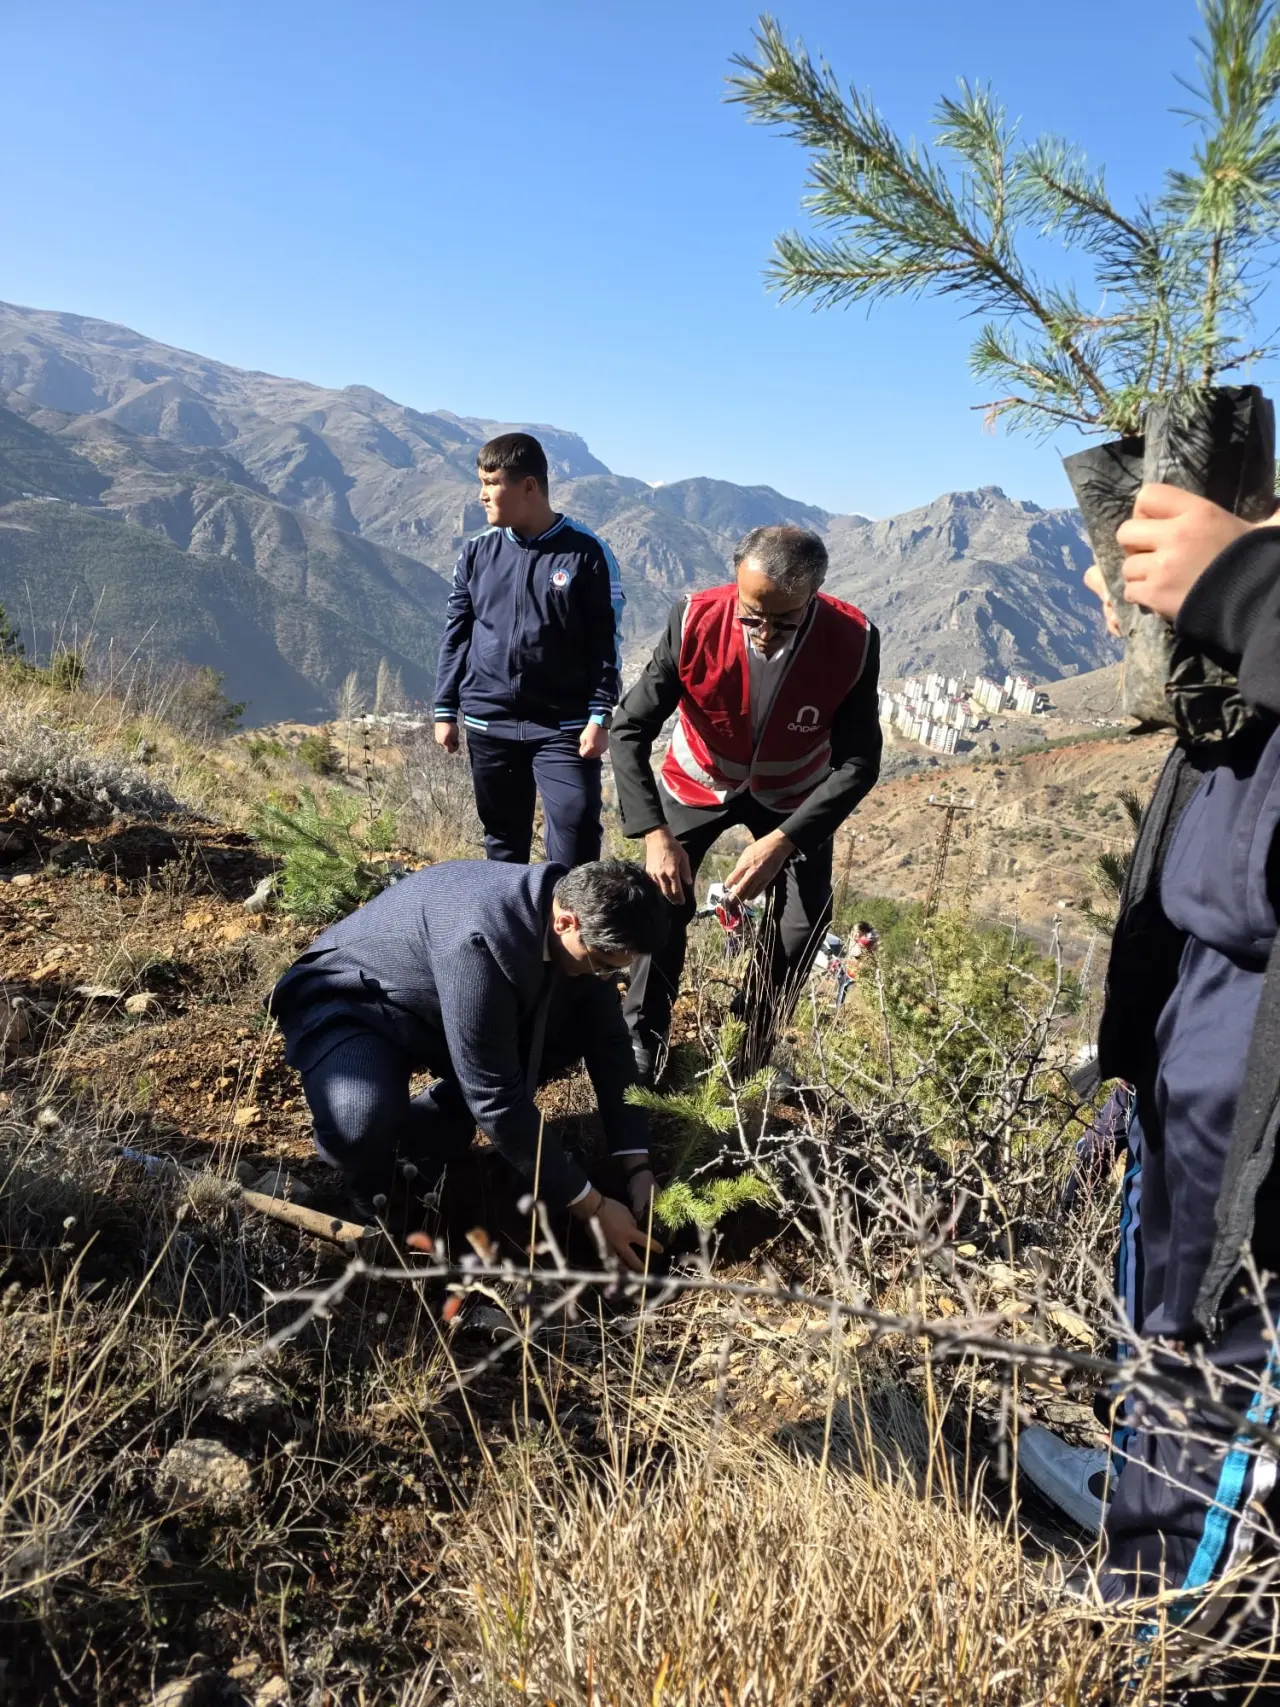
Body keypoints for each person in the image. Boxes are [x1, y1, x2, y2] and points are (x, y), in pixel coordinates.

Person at [1068, 483, 1280, 1642]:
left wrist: (1240, 585)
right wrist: (1182, 622)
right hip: (1199, 994)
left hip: (1264, 1056)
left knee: (1224, 1365)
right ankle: (1130, 1579)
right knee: (1155, 1329)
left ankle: (1172, 1644)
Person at [267, 858, 668, 1272]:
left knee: (561, 1036)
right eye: (602, 963)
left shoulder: (579, 919)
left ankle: (422, 1136)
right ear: (565, 922)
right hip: (355, 1001)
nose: (605, 976)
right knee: (360, 1121)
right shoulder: (481, 940)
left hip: (437, 1004)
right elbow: (496, 1098)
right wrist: (592, 1205)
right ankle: (373, 1193)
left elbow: (609, 1043)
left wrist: (637, 1165)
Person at [609, 524, 881, 1080]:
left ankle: (745, 1041)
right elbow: (630, 727)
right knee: (662, 901)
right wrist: (654, 834)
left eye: (784, 620)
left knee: (804, 925)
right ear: (736, 586)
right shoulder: (694, 620)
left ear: (814, 596)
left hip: (793, 795)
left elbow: (859, 761)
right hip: (699, 779)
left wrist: (784, 841)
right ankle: (644, 1038)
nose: (763, 632)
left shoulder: (852, 639)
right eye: (751, 614)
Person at [432, 432, 624, 868]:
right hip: (489, 719)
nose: (482, 495)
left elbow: (605, 640)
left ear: (530, 487)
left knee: (575, 830)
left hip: (564, 725)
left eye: (492, 482)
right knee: (502, 840)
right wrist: (445, 708)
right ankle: (512, 932)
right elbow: (457, 633)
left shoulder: (587, 553)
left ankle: (568, 930)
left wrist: (600, 714)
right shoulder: (477, 553)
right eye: (481, 482)